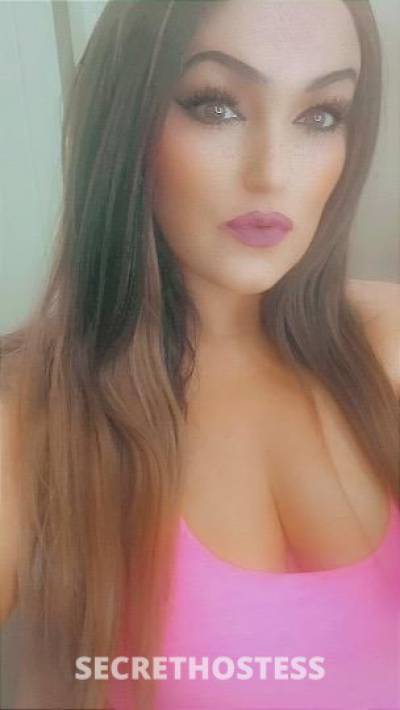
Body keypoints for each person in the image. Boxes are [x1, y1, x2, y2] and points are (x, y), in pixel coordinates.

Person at [0, 1, 399, 708]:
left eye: (321, 115)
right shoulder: (28, 418)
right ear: (126, 120)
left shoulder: (387, 339)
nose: (272, 172)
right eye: (215, 106)